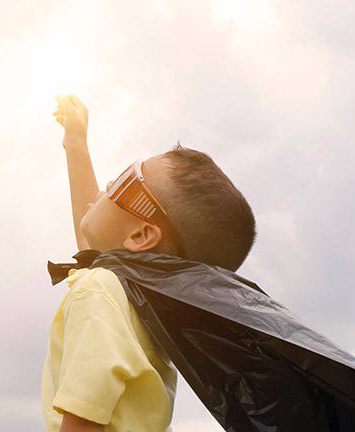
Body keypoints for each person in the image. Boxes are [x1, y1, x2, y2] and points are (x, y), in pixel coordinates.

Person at [42, 95, 256, 432]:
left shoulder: (100, 291)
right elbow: (91, 232)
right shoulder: (142, 296)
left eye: (127, 181)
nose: (110, 184)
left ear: (141, 236)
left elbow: (83, 423)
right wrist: (75, 142)